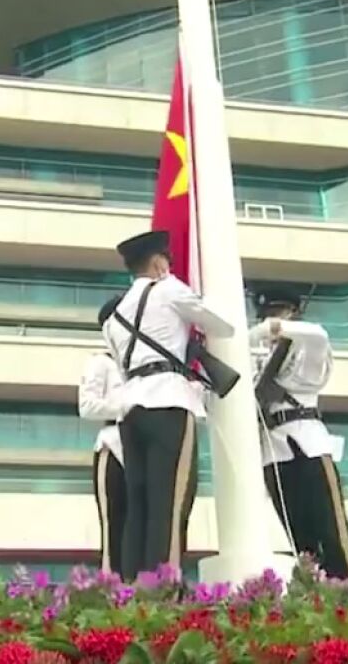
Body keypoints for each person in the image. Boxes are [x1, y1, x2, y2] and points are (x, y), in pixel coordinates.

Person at [102, 230, 234, 582]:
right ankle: (163, 591)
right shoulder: (170, 289)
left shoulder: (114, 317)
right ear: (160, 263)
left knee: (139, 505)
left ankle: (131, 588)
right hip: (169, 400)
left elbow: (120, 362)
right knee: (170, 504)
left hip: (130, 408)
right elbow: (223, 324)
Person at [250, 286, 348, 587]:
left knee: (332, 530)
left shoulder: (306, 350)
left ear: (292, 314)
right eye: (267, 316)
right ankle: (314, 598)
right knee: (299, 537)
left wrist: (274, 329)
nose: (272, 322)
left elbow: (317, 335)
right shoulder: (259, 359)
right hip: (273, 450)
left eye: (277, 315)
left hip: (308, 444)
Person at [78, 295, 128, 576]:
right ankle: (113, 589)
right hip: (114, 445)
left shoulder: (144, 363)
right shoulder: (102, 362)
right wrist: (126, 408)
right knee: (114, 527)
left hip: (143, 449)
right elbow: (87, 406)